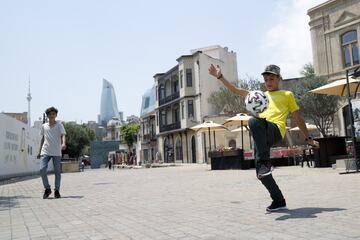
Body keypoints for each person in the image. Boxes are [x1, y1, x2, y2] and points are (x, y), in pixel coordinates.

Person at [208, 64, 319, 212]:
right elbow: (236, 90)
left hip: (275, 130)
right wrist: (220, 77)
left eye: (272, 78)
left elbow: (298, 118)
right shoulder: (259, 95)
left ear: (279, 79)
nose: (268, 82)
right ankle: (279, 200)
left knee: (253, 121)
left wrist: (309, 139)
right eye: (266, 79)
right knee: (261, 174)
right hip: (261, 136)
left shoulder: (287, 95)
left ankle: (265, 162)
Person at [37, 107, 66, 199]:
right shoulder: (44, 126)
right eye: (50, 114)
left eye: (53, 114)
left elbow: (63, 135)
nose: (51, 116)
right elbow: (42, 138)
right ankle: (47, 188)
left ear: (56, 115)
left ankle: (57, 190)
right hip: (45, 151)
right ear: (47, 116)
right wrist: (39, 151)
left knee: (57, 172)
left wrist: (63, 143)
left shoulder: (59, 125)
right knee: (42, 169)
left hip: (57, 152)